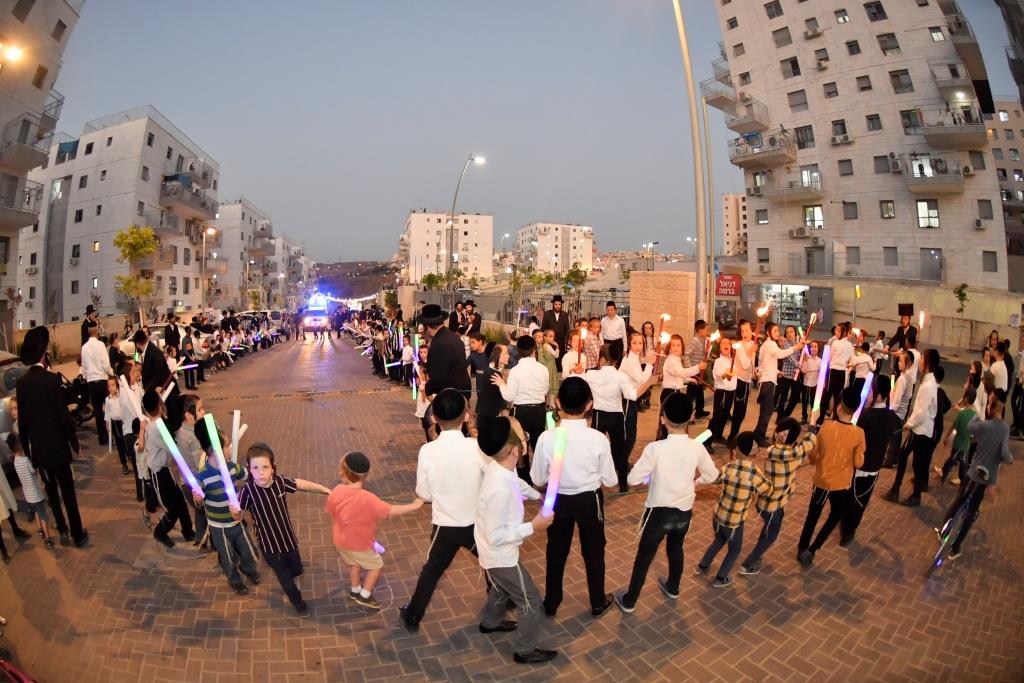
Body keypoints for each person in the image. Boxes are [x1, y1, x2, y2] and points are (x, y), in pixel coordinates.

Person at [401, 391, 540, 631]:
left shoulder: (428, 451)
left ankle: (413, 615)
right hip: (476, 522)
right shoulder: (476, 447)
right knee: (492, 563)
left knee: (431, 572)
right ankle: (501, 602)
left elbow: (423, 494)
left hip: (445, 525)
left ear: (433, 418)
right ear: (466, 416)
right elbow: (500, 474)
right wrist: (534, 494)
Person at [614, 394, 718, 612]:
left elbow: (632, 479)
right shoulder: (696, 448)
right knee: (676, 548)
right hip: (684, 513)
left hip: (658, 514)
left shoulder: (655, 449)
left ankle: (630, 600)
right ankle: (673, 586)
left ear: (662, 418)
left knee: (644, 557)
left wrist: (650, 476)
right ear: (691, 417)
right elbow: (712, 475)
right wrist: (696, 482)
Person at [531, 377, 617, 618]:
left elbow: (537, 478)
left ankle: (552, 601)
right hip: (589, 500)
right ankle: (598, 601)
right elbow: (610, 480)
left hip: (556, 499)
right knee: (594, 550)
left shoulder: (547, 438)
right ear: (590, 405)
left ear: (558, 402)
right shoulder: (598, 439)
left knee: (556, 550)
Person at [475, 416, 558, 665]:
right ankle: (524, 650)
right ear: (514, 450)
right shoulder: (499, 489)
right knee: (530, 601)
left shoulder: (500, 469)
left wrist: (536, 495)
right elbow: (497, 535)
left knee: (501, 588)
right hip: (500, 555)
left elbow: (516, 483)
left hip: (492, 554)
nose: (525, 441)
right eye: (523, 438)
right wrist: (533, 527)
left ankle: (489, 623)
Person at [237, 442, 331, 617]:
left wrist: (324, 489)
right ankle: (298, 603)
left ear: (272, 468)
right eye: (255, 467)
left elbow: (299, 483)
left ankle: (296, 570)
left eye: (265, 467)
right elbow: (237, 515)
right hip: (271, 548)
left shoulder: (280, 482)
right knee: (286, 580)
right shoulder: (247, 492)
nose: (261, 472)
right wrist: (233, 511)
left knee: (296, 568)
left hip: (288, 539)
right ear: (249, 470)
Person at [16, 326, 88, 548]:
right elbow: (64, 418)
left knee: (52, 494)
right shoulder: (51, 380)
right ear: (44, 354)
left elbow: (24, 423)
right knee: (68, 493)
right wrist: (74, 443)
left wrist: (29, 453)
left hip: (40, 453)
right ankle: (77, 534)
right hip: (58, 449)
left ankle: (63, 530)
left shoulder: (22, 383)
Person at [325, 451, 424, 610]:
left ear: (344, 473)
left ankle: (355, 589)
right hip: (359, 544)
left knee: (355, 565)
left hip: (340, 542)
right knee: (376, 566)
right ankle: (365, 595)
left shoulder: (336, 490)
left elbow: (332, 513)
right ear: (365, 476)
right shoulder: (369, 499)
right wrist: (415, 505)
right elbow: (391, 510)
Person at [936, 391, 1013, 560]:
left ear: (992, 407)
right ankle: (955, 547)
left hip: (972, 472)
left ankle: (944, 531)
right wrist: (1009, 459)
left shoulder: (984, 425)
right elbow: (1006, 454)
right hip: (986, 477)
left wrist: (976, 415)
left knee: (959, 500)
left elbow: (970, 427)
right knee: (971, 512)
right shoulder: (1004, 429)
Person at [739, 417, 817, 575]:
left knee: (769, 528)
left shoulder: (775, 451)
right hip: (772, 505)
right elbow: (808, 445)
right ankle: (748, 564)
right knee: (771, 535)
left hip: (771, 502)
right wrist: (812, 429)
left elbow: (800, 452)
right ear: (793, 439)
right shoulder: (787, 453)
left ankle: (758, 553)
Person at [798, 387, 865, 566]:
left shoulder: (826, 426)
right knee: (835, 515)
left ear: (838, 407)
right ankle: (813, 549)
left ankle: (802, 548)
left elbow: (814, 456)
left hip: (821, 480)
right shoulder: (858, 433)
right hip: (841, 485)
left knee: (813, 514)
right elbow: (859, 463)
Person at [695, 432, 772, 588]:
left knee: (719, 539)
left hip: (718, 515)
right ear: (755, 451)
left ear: (736, 449)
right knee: (735, 549)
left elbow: (716, 478)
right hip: (735, 521)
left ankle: (703, 565)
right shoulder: (755, 474)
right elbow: (767, 489)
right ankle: (721, 577)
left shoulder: (728, 467)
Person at [192, 419, 258, 595]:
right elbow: (198, 502)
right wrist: (197, 498)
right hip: (218, 527)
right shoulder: (203, 476)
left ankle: (248, 568)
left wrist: (259, 474)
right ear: (215, 451)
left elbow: (248, 476)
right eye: (227, 445)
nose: (231, 449)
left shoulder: (232, 468)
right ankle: (234, 580)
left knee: (249, 550)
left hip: (236, 520)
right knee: (227, 558)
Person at [584, 344, 655, 491]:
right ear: (616, 360)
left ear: (602, 359)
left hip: (599, 416)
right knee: (620, 450)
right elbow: (633, 395)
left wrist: (575, 371)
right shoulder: (620, 376)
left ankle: (590, 481)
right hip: (616, 417)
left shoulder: (591, 375)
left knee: (594, 448)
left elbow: (574, 379)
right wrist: (648, 383)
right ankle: (623, 484)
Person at [840, 379, 901, 544]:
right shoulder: (892, 417)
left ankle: (844, 524)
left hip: (858, 464)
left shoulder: (865, 416)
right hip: (874, 467)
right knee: (862, 500)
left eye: (870, 391)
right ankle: (849, 532)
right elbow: (897, 433)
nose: (866, 394)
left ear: (879, 395)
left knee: (850, 495)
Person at [138, 390, 194, 548]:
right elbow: (172, 448)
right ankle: (160, 532)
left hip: (165, 470)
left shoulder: (157, 424)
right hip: (158, 473)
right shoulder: (156, 428)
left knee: (180, 500)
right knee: (172, 508)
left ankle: (188, 531)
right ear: (159, 405)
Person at [886, 348, 940, 506]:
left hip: (921, 430)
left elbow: (922, 412)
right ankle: (896, 489)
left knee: (917, 463)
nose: (920, 360)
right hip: (918, 428)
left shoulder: (928, 385)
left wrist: (908, 424)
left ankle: (915, 495)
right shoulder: (928, 382)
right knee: (904, 456)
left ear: (928, 362)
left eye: (922, 358)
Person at [492, 335, 549, 481]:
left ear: (518, 351)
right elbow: (545, 391)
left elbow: (509, 396)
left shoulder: (516, 371)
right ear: (534, 350)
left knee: (521, 448)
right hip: (539, 411)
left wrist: (501, 384)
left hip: (521, 412)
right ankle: (542, 478)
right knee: (540, 446)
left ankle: (526, 481)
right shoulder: (543, 369)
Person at [753, 323, 803, 446]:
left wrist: (776, 371)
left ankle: (759, 432)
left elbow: (765, 363)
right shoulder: (770, 344)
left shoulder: (767, 345)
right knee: (767, 410)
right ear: (768, 333)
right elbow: (781, 354)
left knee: (767, 409)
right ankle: (759, 436)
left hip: (768, 379)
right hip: (767, 382)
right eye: (775, 331)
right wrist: (796, 347)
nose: (778, 333)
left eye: (777, 331)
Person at [10, 433, 53, 551]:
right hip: (36, 494)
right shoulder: (25, 460)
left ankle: (40, 530)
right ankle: (48, 537)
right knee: (43, 515)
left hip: (28, 495)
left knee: (36, 512)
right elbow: (33, 471)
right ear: (20, 445)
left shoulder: (15, 462)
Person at [135, 329, 182, 433]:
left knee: (173, 420)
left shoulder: (153, 351)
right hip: (160, 391)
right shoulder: (147, 350)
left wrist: (147, 389)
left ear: (138, 344)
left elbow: (160, 373)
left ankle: (177, 443)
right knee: (168, 419)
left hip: (166, 390)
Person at [659, 334, 706, 440]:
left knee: (673, 421)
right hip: (669, 394)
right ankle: (665, 442)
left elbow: (677, 377)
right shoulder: (671, 360)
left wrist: (690, 380)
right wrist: (698, 367)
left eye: (678, 345)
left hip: (675, 392)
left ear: (682, 348)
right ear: (670, 348)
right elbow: (680, 373)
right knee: (669, 422)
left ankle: (668, 441)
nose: (676, 347)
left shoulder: (676, 360)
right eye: (673, 345)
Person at [176, 395, 209, 549]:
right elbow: (200, 466)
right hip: (197, 485)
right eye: (199, 409)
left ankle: (199, 537)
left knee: (199, 511)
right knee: (208, 512)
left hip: (186, 482)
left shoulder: (181, 431)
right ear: (188, 415)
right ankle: (215, 542)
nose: (203, 412)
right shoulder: (195, 437)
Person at [421, 304, 471, 399]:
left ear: (426, 327)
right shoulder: (454, 337)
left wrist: (426, 388)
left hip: (450, 396)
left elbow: (438, 376)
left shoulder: (437, 344)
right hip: (463, 390)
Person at [935, 385, 977, 486]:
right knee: (963, 464)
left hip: (958, 443)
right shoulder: (975, 414)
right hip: (966, 444)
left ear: (966, 399)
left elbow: (953, 428)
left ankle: (943, 477)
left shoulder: (962, 414)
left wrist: (946, 439)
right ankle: (963, 482)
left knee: (952, 459)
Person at [619, 331, 652, 459]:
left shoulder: (634, 358)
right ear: (629, 344)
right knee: (629, 434)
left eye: (640, 343)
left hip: (632, 398)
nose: (638, 346)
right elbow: (641, 379)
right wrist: (649, 364)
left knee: (630, 432)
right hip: (627, 400)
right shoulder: (629, 360)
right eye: (634, 343)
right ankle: (621, 461)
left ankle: (622, 460)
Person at [82, 322, 113, 447]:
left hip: (91, 383)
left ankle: (102, 437)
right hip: (102, 381)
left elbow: (84, 367)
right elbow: (106, 364)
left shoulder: (84, 347)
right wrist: (111, 373)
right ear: (96, 332)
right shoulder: (101, 345)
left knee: (98, 411)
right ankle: (112, 434)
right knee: (109, 408)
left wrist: (86, 377)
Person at [819, 323, 854, 425]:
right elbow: (852, 360)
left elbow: (829, 357)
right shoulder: (850, 345)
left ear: (843, 332)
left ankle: (821, 418)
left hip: (833, 372)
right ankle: (835, 419)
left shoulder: (834, 343)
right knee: (838, 397)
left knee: (827, 395)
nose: (836, 332)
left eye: (838, 331)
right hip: (843, 373)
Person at [728, 321, 757, 442]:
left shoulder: (752, 343)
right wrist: (750, 351)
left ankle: (735, 434)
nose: (744, 333)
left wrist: (754, 373)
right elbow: (745, 364)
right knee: (738, 411)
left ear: (752, 331)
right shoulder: (739, 346)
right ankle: (732, 436)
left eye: (747, 330)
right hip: (739, 381)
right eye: (742, 331)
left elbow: (751, 364)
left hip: (747, 381)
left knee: (743, 412)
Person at [708, 338, 737, 445]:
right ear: (719, 347)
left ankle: (718, 435)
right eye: (723, 343)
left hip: (730, 392)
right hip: (722, 393)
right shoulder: (718, 361)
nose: (726, 345)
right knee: (717, 417)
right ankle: (705, 441)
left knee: (724, 416)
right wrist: (725, 375)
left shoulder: (732, 361)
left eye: (728, 343)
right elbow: (717, 375)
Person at [685, 321, 712, 419]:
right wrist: (689, 367)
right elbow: (686, 353)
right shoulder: (695, 340)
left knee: (699, 391)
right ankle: (686, 412)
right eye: (706, 329)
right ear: (700, 330)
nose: (707, 331)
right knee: (691, 393)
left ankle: (699, 411)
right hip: (694, 371)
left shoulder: (703, 340)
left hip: (700, 370)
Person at [775, 326, 802, 419]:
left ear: (795, 333)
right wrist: (800, 366)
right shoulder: (786, 345)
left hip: (795, 376)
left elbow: (798, 357)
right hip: (785, 375)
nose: (789, 334)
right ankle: (779, 418)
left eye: (791, 332)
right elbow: (791, 358)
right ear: (786, 335)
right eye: (787, 332)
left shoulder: (797, 344)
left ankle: (785, 415)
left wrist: (803, 358)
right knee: (783, 397)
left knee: (795, 397)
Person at [104, 376, 130, 475]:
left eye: (113, 385)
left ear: (117, 385)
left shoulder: (121, 396)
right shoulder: (107, 399)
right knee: (119, 445)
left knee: (126, 441)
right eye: (109, 386)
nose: (111, 387)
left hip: (124, 421)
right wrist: (107, 423)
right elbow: (107, 412)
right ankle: (124, 463)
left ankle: (129, 455)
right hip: (115, 424)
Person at [541, 295, 572, 367]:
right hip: (550, 341)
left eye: (559, 304)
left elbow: (567, 329)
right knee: (551, 360)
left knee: (559, 361)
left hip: (561, 342)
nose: (557, 306)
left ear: (561, 305)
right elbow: (543, 328)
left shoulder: (565, 314)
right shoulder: (547, 314)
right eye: (556, 304)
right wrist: (545, 340)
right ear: (553, 304)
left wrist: (566, 341)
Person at [799, 342, 821, 425]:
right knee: (804, 401)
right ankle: (804, 417)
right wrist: (804, 361)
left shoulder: (820, 361)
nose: (813, 348)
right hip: (806, 383)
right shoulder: (806, 359)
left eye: (815, 346)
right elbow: (803, 371)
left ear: (818, 349)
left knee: (813, 403)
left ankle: (813, 417)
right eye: (811, 346)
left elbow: (822, 375)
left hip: (815, 384)